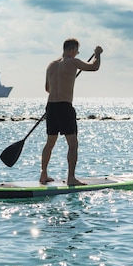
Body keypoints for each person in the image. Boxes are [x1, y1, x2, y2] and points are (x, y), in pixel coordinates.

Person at [39, 38, 103, 186]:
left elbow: (47, 89)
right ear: (73, 50)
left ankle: (43, 174)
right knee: (73, 144)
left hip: (51, 106)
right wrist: (98, 54)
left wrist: (63, 81)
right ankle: (71, 178)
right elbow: (94, 67)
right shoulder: (73, 62)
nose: (77, 54)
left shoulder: (51, 65)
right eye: (77, 51)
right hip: (64, 107)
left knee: (50, 143)